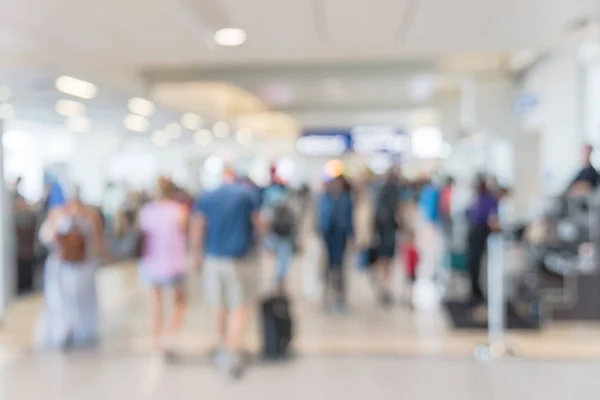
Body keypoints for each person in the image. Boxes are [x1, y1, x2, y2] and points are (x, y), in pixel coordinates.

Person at [190, 167, 262, 378]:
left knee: (218, 305)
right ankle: (234, 349)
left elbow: (198, 227)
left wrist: (196, 255)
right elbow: (258, 224)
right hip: (240, 259)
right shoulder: (247, 195)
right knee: (239, 306)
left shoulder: (207, 197)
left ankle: (222, 346)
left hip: (214, 259)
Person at [36, 186, 109, 349]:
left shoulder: (59, 214)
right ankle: (75, 331)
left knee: (63, 302)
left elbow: (46, 238)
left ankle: (67, 331)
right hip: (77, 267)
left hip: (66, 267)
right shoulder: (89, 215)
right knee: (76, 302)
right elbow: (98, 243)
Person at [139, 178, 189, 358]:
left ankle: (157, 340)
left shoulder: (147, 211)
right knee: (181, 301)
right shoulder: (179, 211)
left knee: (155, 303)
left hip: (152, 262)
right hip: (174, 261)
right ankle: (170, 333)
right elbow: (185, 233)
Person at [318, 175, 354, 313]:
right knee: (327, 266)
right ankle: (327, 293)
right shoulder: (325, 198)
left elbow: (350, 219)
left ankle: (340, 296)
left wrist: (352, 236)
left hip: (341, 237)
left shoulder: (346, 199)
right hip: (328, 237)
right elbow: (321, 218)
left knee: (339, 267)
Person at [466, 176, 499, 306]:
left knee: (475, 262)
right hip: (479, 232)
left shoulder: (477, 198)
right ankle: (476, 292)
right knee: (476, 262)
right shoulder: (487, 199)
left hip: (474, 231)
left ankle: (475, 290)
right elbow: (493, 220)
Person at [373, 169, 402, 306]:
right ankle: (385, 288)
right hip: (386, 232)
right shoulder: (391, 191)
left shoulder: (382, 191)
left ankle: (385, 287)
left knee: (386, 261)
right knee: (386, 261)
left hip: (385, 232)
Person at [402, 230, 419, 308]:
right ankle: (408, 299)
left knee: (410, 286)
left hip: (412, 270)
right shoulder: (408, 248)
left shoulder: (411, 249)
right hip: (409, 270)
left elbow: (417, 259)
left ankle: (410, 299)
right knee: (409, 285)